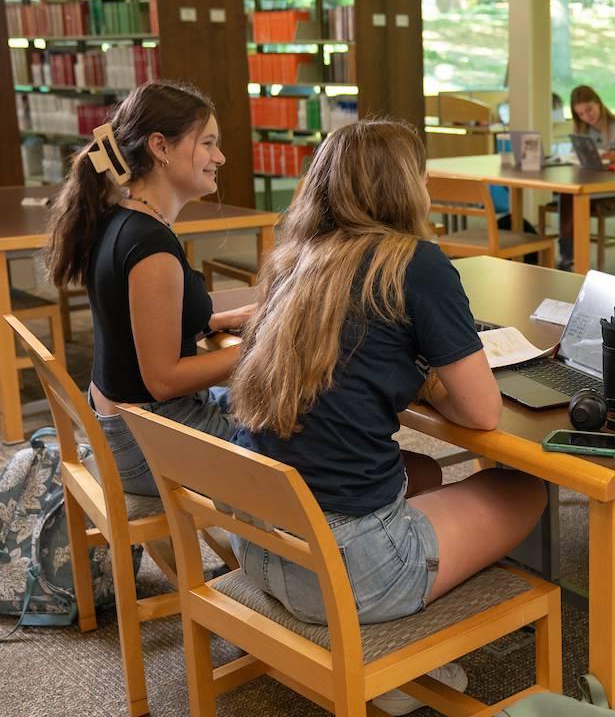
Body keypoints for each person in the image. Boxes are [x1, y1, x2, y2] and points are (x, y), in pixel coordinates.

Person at [228, 119, 547, 716]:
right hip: (347, 574)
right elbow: (481, 413)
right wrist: (438, 380)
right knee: (523, 487)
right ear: (408, 187)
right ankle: (409, 653)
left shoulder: (292, 261)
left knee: (422, 475)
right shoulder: (416, 264)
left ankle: (414, 630)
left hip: (259, 546)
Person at [44, 80, 254, 497]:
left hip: (126, 425)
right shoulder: (150, 246)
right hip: (148, 442)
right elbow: (163, 380)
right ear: (160, 147)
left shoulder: (122, 220)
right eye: (208, 143)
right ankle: (269, 551)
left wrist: (216, 320)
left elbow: (136, 327)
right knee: (308, 436)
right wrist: (263, 352)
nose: (220, 157)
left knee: (282, 411)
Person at [554, 86, 615, 268]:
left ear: (599, 103)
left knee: (571, 196)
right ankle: (567, 254)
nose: (587, 117)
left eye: (589, 110)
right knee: (567, 194)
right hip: (589, 183)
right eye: (581, 114)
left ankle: (568, 254)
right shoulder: (582, 130)